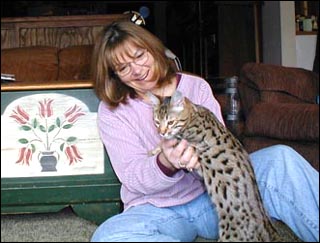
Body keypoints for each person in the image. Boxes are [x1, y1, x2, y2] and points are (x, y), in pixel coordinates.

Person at [90, 20, 319, 242]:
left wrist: (197, 159)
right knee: (109, 237)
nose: (137, 70)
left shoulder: (195, 87)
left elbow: (223, 152)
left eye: (139, 56)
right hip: (157, 210)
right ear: (114, 75)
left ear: (153, 49)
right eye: (123, 67)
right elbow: (132, 177)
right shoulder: (113, 110)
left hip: (215, 197)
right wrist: (165, 163)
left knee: (280, 159)